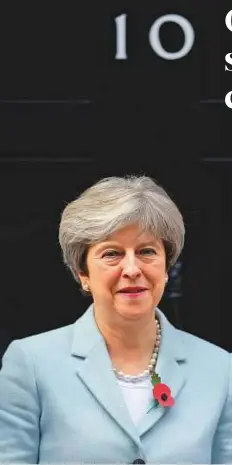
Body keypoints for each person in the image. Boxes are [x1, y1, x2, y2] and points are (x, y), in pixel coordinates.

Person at [0, 175, 231, 464]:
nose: (132, 269)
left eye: (147, 251)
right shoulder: (30, 363)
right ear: (82, 273)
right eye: (112, 254)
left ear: (167, 267)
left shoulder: (220, 369)